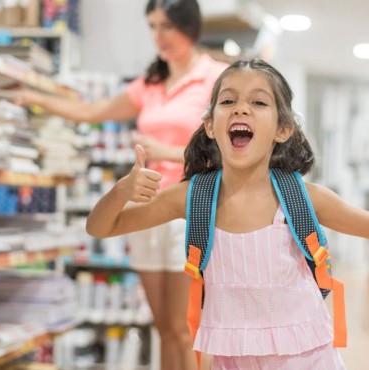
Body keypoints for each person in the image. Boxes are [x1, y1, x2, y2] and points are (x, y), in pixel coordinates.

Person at [85, 58, 369, 369]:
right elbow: (101, 227)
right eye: (227, 101)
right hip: (231, 359)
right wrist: (122, 190)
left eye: (258, 102)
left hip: (309, 357)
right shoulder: (193, 198)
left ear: (283, 129)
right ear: (211, 125)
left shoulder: (300, 198)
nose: (241, 109)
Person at [17, 1, 227, 369]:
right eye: (153, 26)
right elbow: (89, 112)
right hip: (145, 210)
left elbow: (230, 150)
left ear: (189, 27)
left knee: (184, 327)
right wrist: (32, 96)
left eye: (167, 26)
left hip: (189, 207)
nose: (159, 36)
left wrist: (170, 152)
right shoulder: (151, 84)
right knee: (162, 325)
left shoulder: (216, 78)